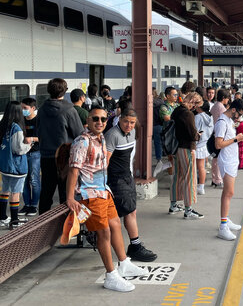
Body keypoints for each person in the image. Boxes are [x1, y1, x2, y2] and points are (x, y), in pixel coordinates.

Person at [66, 106, 148, 292]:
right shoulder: (82, 142)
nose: (100, 122)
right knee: (103, 233)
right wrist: (70, 197)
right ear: (87, 120)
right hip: (90, 194)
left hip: (104, 190)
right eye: (95, 119)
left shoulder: (101, 138)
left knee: (115, 225)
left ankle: (124, 263)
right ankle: (111, 275)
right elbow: (73, 170)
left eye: (103, 119)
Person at [105, 107, 158, 262]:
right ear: (119, 120)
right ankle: (134, 246)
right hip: (116, 179)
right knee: (128, 212)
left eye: (132, 122)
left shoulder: (133, 132)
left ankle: (134, 245)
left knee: (131, 211)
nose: (129, 125)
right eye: (126, 121)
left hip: (127, 177)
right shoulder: (112, 135)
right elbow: (105, 161)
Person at [38, 78, 84, 214]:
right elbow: (79, 134)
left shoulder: (42, 109)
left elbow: (38, 130)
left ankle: (43, 223)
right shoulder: (69, 110)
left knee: (46, 191)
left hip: (46, 156)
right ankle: (67, 224)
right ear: (65, 90)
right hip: (64, 157)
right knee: (66, 193)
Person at [0, 101, 33, 229]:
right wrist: (29, 144)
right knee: (16, 192)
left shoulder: (1, 126)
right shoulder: (16, 128)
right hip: (16, 166)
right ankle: (14, 220)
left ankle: (3, 218)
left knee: (5, 190)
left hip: (4, 165)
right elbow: (19, 149)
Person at [214, 99, 243, 241]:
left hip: (231, 158)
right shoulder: (222, 122)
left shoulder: (228, 120)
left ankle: (226, 219)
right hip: (226, 160)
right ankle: (223, 226)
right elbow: (218, 144)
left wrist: (238, 138)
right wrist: (236, 139)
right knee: (228, 192)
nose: (239, 118)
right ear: (233, 110)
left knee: (229, 192)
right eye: (238, 114)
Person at [169, 92, 204, 219]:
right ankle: (188, 210)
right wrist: (198, 135)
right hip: (187, 148)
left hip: (176, 148)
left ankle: (173, 205)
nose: (194, 108)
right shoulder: (188, 114)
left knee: (177, 176)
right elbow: (192, 134)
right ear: (193, 102)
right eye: (195, 105)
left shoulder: (177, 110)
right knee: (189, 178)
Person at [20, 98, 40, 216]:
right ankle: (26, 204)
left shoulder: (39, 121)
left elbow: (44, 138)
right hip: (23, 154)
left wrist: (32, 139)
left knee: (34, 180)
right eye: (22, 108)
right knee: (24, 180)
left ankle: (34, 205)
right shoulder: (21, 121)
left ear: (33, 108)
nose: (23, 111)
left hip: (35, 153)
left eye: (25, 108)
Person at [154, 86, 179, 176]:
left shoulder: (177, 105)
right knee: (171, 157)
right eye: (174, 94)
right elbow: (167, 118)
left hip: (177, 134)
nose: (176, 96)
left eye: (177, 94)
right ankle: (171, 177)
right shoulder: (163, 107)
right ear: (167, 96)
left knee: (177, 157)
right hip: (169, 135)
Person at [210, 89, 231, 188]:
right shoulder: (221, 107)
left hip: (215, 133)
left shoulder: (215, 106)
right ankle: (217, 179)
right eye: (227, 98)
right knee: (218, 159)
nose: (228, 100)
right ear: (223, 98)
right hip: (219, 135)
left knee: (216, 158)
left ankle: (216, 179)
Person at [194, 101, 213, 195]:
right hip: (204, 144)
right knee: (202, 167)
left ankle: (194, 185)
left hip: (196, 145)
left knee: (193, 167)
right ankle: (201, 187)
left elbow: (195, 131)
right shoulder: (210, 117)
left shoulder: (197, 117)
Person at [152, 88, 164, 165]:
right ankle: (159, 159)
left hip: (153, 124)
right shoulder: (161, 101)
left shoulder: (152, 102)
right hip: (158, 124)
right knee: (158, 143)